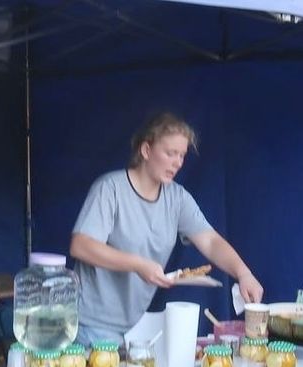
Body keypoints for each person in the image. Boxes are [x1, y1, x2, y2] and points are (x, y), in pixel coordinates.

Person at [69, 112, 263, 346]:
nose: (178, 162)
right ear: (146, 151)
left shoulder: (177, 198)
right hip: (90, 325)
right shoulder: (110, 189)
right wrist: (138, 264)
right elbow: (81, 245)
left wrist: (244, 274)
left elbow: (210, 241)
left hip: (134, 328)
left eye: (181, 155)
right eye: (170, 153)